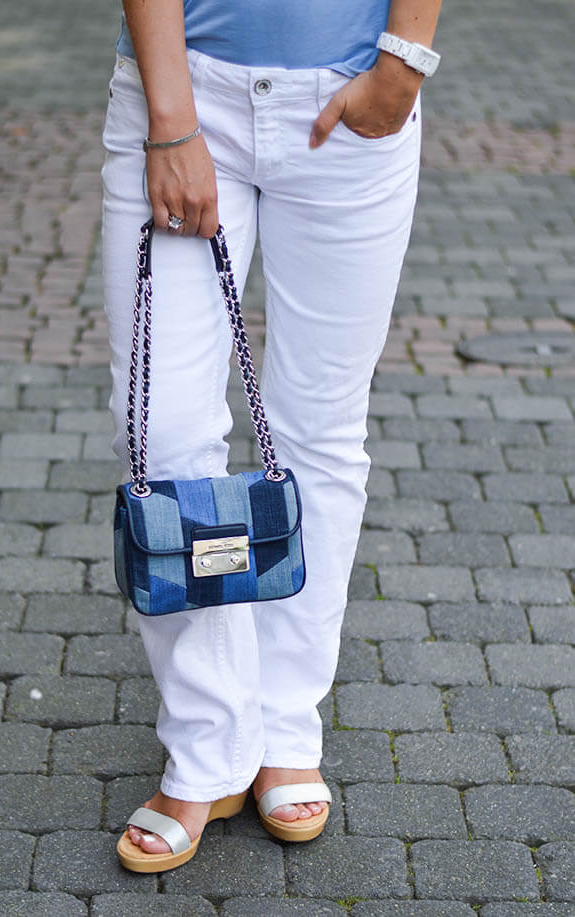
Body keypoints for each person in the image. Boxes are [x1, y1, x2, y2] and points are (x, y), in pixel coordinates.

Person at [102, 0, 442, 873]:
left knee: (320, 430)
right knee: (164, 431)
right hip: (183, 93)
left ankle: (286, 724)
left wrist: (404, 62)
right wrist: (170, 122)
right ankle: (210, 742)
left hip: (352, 98)